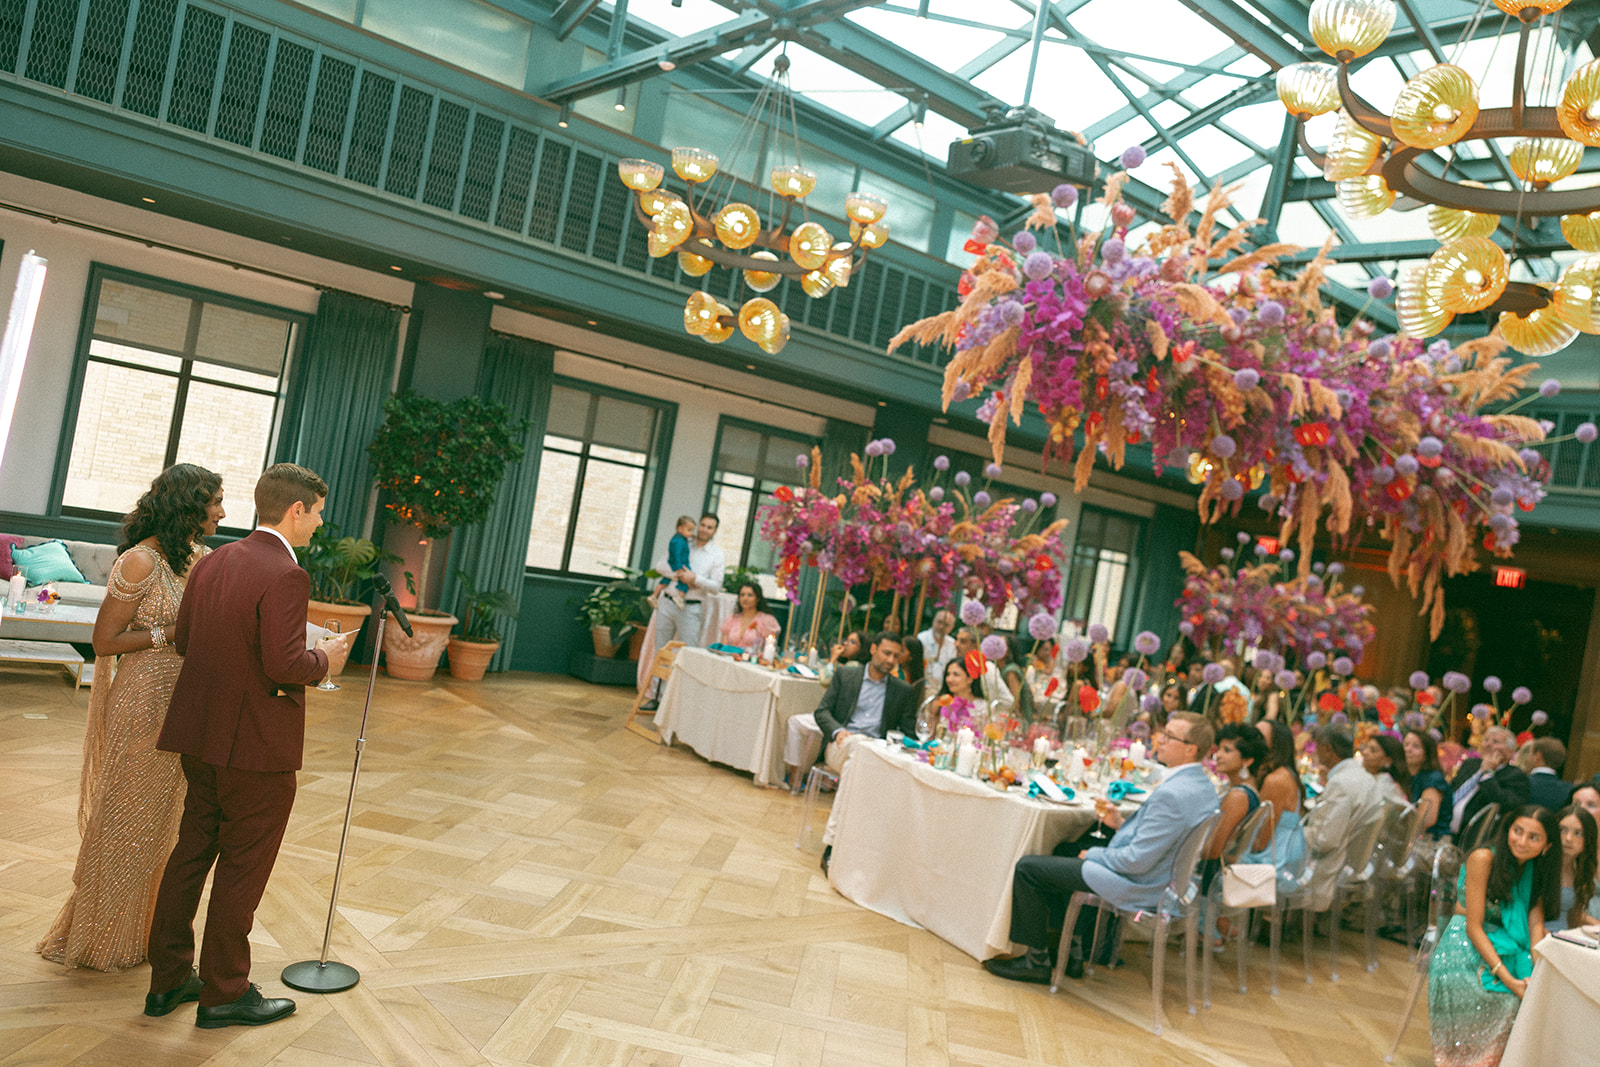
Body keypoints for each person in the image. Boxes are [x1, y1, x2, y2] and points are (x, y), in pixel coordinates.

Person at [144, 464, 348, 1028]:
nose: (320, 522)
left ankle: (167, 982)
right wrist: (325, 658)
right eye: (318, 511)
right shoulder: (286, 573)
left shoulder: (214, 560)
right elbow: (284, 663)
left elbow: (185, 640)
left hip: (201, 736)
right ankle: (225, 993)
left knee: (190, 854)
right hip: (257, 749)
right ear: (296, 510)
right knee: (242, 869)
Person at [36, 464, 226, 972]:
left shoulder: (202, 558)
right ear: (190, 506)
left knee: (165, 821)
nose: (224, 513)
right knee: (126, 815)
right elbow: (103, 643)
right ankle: (99, 937)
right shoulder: (140, 562)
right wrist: (168, 637)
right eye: (216, 503)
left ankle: (141, 933)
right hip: (143, 699)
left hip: (187, 702)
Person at [983, 712, 1220, 984]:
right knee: (1065, 850)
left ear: (1191, 749)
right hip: (1167, 878)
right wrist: (1120, 824)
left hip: (1142, 884)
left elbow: (1136, 862)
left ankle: (1035, 962)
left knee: (1029, 869)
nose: (1160, 740)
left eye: (1169, 736)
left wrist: (1093, 855)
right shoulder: (1203, 786)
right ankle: (1071, 952)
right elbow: (1166, 841)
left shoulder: (1173, 793)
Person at [1428, 806, 1561, 1067]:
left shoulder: (1536, 869)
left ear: (1547, 846)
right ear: (1508, 829)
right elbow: (1473, 926)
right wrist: (1509, 980)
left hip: (1506, 943)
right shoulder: (1483, 858)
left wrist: (1535, 972)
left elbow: (1535, 925)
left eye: (1533, 837)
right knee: (1510, 1001)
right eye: (1517, 831)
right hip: (1464, 946)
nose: (1521, 842)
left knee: (1540, 999)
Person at [639, 513, 726, 710]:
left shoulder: (717, 555)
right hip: (668, 603)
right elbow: (661, 566)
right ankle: (656, 698)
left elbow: (716, 587)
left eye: (709, 527)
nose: (704, 529)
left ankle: (679, 703)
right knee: (661, 650)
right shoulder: (681, 541)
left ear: (715, 531)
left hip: (691, 609)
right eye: (702, 525)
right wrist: (680, 576)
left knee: (687, 654)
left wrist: (694, 578)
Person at [1302, 724, 1385, 912]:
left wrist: (1296, 833)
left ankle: (1267, 924)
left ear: (1328, 749)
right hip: (1355, 861)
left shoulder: (1341, 782)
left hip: (1333, 864)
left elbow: (1324, 841)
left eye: (1318, 748)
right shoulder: (1365, 777)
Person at [814, 631, 917, 775]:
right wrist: (838, 731)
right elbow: (822, 712)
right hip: (842, 744)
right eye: (886, 653)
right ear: (873, 649)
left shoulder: (903, 690)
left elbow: (909, 733)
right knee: (857, 747)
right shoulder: (845, 675)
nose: (890, 660)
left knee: (859, 763)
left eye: (895, 656)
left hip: (877, 750)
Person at [1201, 724, 1266, 937]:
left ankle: (1204, 927)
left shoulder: (1238, 796)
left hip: (1211, 875)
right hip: (1219, 870)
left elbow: (1212, 851)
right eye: (1219, 749)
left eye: (1227, 751)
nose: (1218, 755)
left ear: (1247, 760)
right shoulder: (1240, 788)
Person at [1244, 719, 1306, 891]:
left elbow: (1259, 841)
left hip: (1276, 862)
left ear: (1275, 745)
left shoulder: (1276, 780)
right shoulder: (1280, 772)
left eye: (1259, 737)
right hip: (1283, 855)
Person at [1448, 726, 1530, 840]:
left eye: (1496, 742)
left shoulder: (1516, 776)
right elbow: (1451, 789)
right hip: (1444, 829)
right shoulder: (1470, 764)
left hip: (1474, 838)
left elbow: (1504, 804)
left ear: (1510, 750)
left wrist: (1487, 774)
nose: (1488, 744)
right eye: (1486, 740)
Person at [1544, 805, 1597, 934]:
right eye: (1562, 830)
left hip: (1567, 936)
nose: (1568, 838)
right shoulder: (1542, 864)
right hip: (1541, 937)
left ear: (1588, 840)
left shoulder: (1580, 869)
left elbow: (1573, 914)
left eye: (1578, 833)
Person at [1404, 728, 1454, 840]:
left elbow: (1426, 821)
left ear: (1427, 753)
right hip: (1411, 837)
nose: (1408, 749)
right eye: (1406, 744)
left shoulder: (1433, 778)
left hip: (1431, 841)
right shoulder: (1406, 775)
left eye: (1415, 747)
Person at [719, 580, 779, 653]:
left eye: (750, 595)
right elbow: (723, 647)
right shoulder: (732, 619)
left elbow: (769, 649)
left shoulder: (767, 620)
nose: (745, 598)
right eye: (742, 595)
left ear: (757, 598)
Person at [651, 515, 695, 608]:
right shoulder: (678, 541)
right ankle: (679, 597)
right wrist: (679, 568)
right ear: (680, 529)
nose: (691, 533)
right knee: (685, 579)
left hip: (673, 563)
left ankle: (654, 595)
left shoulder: (679, 539)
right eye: (689, 530)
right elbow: (677, 555)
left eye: (692, 530)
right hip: (680, 564)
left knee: (666, 579)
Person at [1526, 737, 1574, 811]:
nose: (1528, 758)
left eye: (1530, 753)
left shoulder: (1522, 784)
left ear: (1538, 756)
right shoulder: (1569, 789)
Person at [1362, 734, 1410, 803]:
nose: (1365, 752)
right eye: (1366, 747)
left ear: (1387, 760)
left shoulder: (1390, 788)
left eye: (1373, 751)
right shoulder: (1365, 775)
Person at [915, 609, 957, 681]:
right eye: (939, 622)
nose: (941, 627)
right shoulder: (921, 639)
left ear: (952, 628)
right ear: (933, 621)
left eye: (946, 625)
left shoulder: (953, 644)